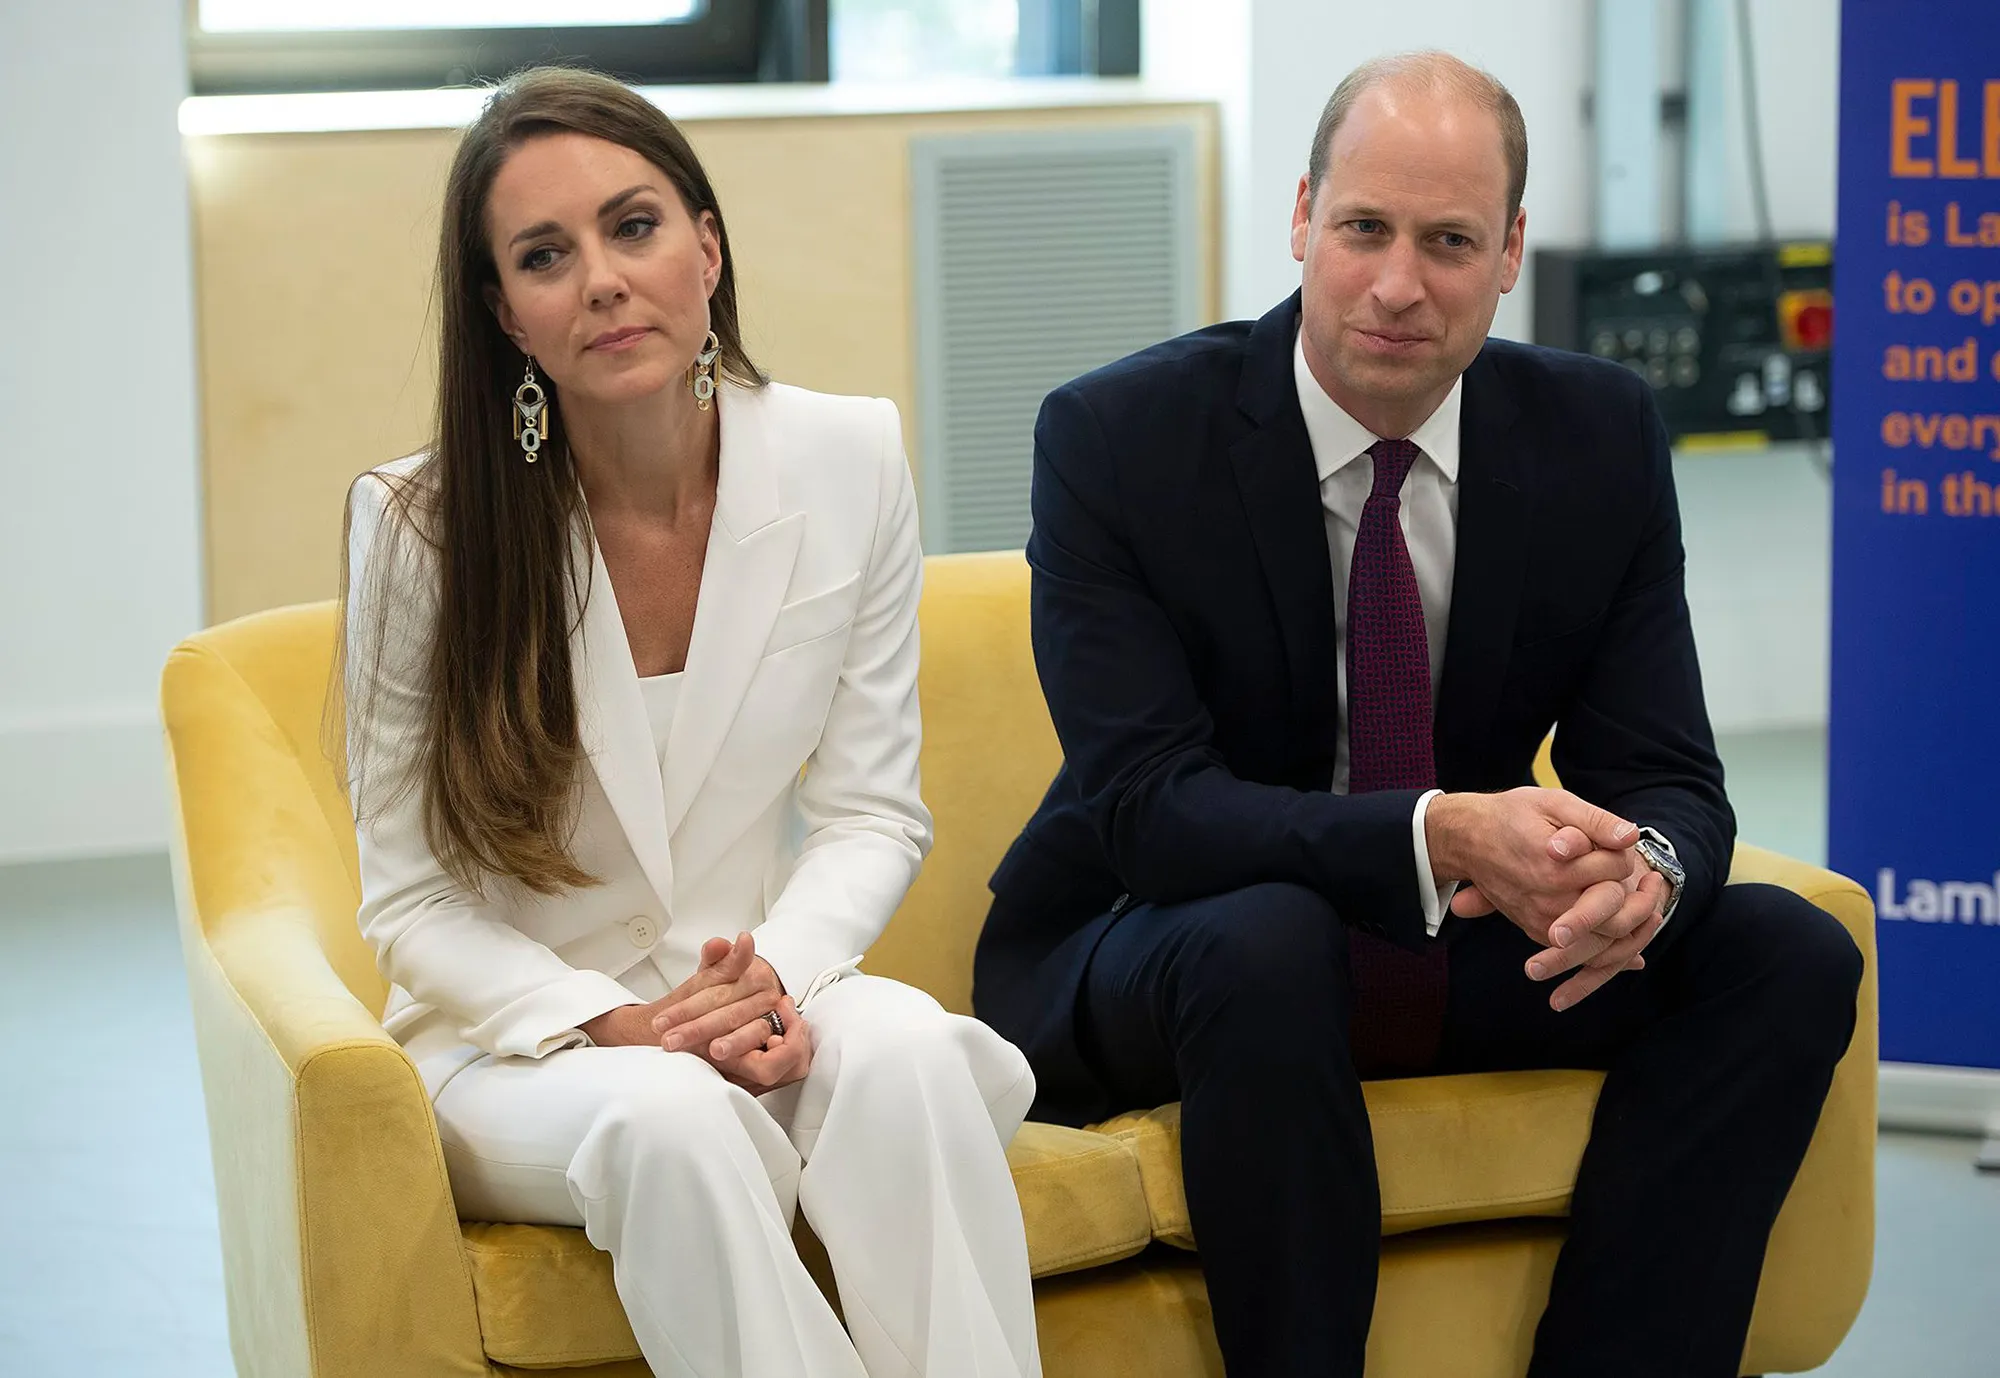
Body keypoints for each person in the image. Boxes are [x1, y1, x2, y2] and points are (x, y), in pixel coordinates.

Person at [972, 50, 1862, 1378]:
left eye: (1449, 241)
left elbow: (1667, 769)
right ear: (1301, 219)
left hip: (1442, 942)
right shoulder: (1116, 439)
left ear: (1509, 254)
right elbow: (1153, 814)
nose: (1397, 285)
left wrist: (1650, 883)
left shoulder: (1598, 434)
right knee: (1266, 942)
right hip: (1152, 939)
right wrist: (1442, 836)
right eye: (1364, 230)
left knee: (1783, 953)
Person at [341, 68, 1040, 1378]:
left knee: (910, 1063)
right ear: (507, 314)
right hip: (527, 1048)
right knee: (677, 1121)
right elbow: (409, 904)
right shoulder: (418, 530)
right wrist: (613, 1022)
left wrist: (764, 979)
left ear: (707, 246)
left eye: (635, 225)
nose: (602, 278)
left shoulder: (850, 458)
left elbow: (872, 810)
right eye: (545, 255)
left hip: (755, 981)